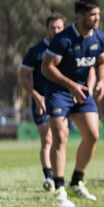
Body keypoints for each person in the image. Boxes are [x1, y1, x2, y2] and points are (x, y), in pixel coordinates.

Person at [41, 0, 104, 207]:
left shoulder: (99, 37)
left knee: (93, 134)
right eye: (92, 15)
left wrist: (100, 81)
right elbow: (46, 68)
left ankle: (76, 181)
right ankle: (59, 187)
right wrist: (70, 85)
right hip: (59, 91)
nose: (97, 18)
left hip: (82, 91)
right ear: (79, 16)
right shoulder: (63, 39)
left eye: (98, 14)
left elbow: (102, 61)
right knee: (60, 136)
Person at [18, 13, 66, 192]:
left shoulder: (66, 49)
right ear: (47, 28)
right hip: (41, 102)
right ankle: (49, 177)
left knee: (60, 138)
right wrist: (37, 97)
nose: (56, 30)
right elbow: (23, 76)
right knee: (47, 139)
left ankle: (59, 174)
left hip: (62, 101)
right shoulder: (36, 51)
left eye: (59, 27)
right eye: (53, 27)